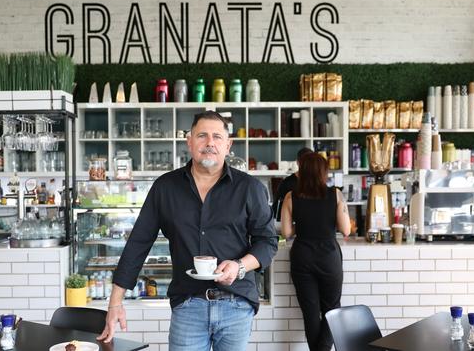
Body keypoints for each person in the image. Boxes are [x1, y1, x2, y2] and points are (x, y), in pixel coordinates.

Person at [97, 111, 278, 351]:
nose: (210, 143)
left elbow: (267, 242)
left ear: (228, 145)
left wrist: (239, 266)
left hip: (236, 304)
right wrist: (115, 302)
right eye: (202, 135)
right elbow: (138, 243)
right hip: (188, 306)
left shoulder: (250, 188)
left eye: (217, 136)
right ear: (189, 142)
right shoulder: (165, 187)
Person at [280, 152, 351, 351]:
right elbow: (346, 230)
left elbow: (286, 232)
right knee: (331, 307)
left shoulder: (290, 196)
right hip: (328, 256)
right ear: (323, 173)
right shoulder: (335, 194)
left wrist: (302, 225)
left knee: (310, 312)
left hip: (302, 256)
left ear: (302, 172)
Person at [271, 147, 313, 221]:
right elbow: (276, 210)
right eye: (304, 162)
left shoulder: (316, 182)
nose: (307, 165)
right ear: (297, 162)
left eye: (310, 162)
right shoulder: (287, 183)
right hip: (291, 225)